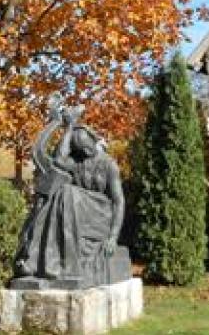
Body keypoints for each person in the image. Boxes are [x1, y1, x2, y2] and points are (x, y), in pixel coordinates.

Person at [13, 99, 125, 285]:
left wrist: (113, 236)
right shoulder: (77, 162)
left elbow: (118, 201)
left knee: (67, 193)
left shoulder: (109, 164)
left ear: (94, 138)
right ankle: (34, 262)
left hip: (100, 212)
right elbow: (58, 159)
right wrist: (69, 127)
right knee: (58, 195)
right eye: (80, 148)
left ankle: (47, 264)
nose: (86, 150)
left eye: (88, 145)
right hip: (74, 207)